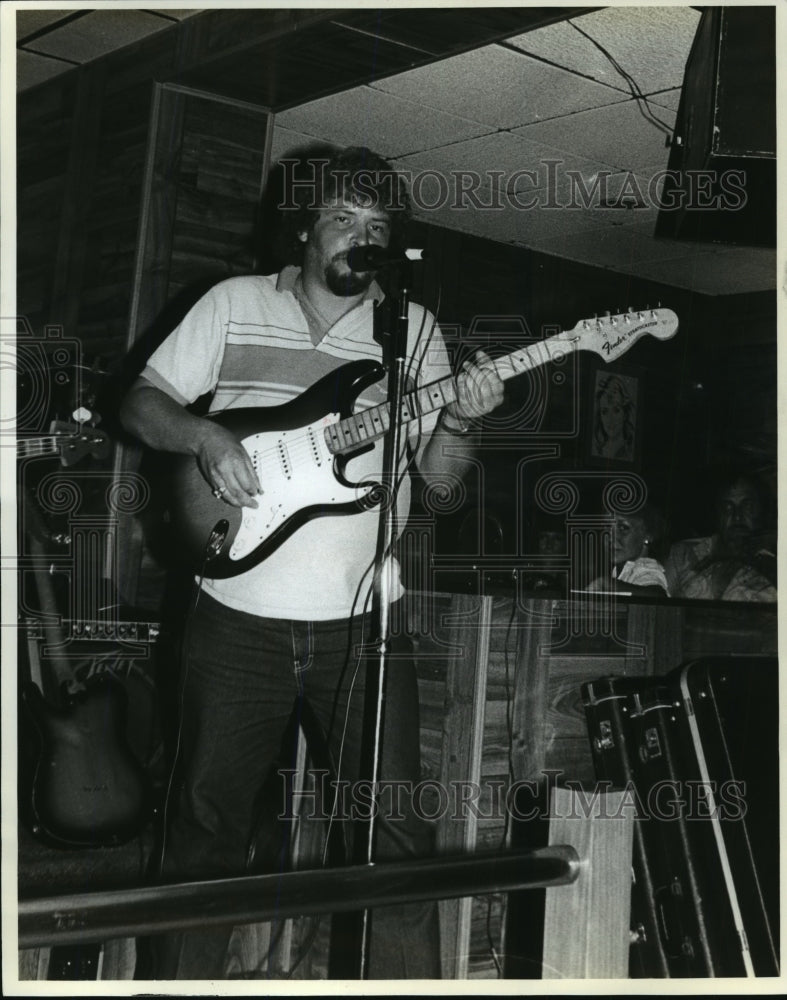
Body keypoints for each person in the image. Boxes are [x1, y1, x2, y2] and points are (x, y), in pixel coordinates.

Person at [119, 145, 504, 980]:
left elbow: (435, 486)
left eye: (376, 227)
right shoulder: (232, 303)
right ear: (303, 227)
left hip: (362, 628)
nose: (359, 239)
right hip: (235, 619)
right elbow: (141, 402)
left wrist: (463, 423)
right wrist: (204, 433)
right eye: (343, 220)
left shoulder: (414, 334)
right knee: (204, 825)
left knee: (392, 836)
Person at [664, 471, 776, 602]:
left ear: (761, 510)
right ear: (717, 513)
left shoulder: (776, 558)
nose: (737, 516)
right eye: (727, 507)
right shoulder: (682, 554)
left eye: (747, 506)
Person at [586, 502, 669, 597]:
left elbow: (658, 595)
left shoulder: (645, 569)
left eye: (623, 528)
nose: (611, 537)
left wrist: (607, 584)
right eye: (607, 527)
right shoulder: (621, 569)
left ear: (648, 534)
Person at [592, 373, 636, 461]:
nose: (610, 418)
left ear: (625, 414)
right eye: (604, 411)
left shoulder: (629, 452)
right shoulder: (598, 450)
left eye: (616, 410)